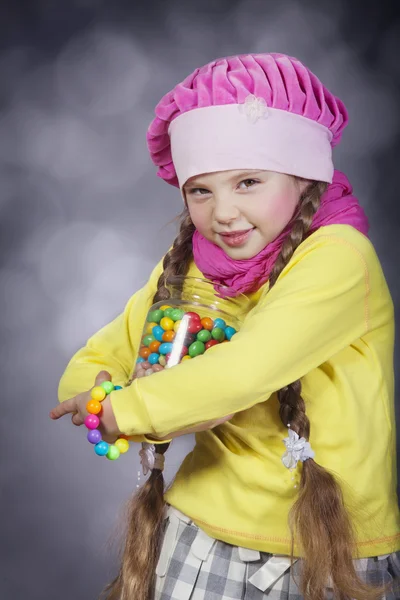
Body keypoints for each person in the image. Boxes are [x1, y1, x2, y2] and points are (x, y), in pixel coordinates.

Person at [50, 53, 400, 600]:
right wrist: (92, 389)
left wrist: (128, 411)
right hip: (197, 536)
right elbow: (110, 349)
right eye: (201, 191)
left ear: (303, 177)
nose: (224, 213)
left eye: (249, 182)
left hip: (329, 551)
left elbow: (242, 375)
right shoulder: (192, 258)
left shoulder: (339, 257)